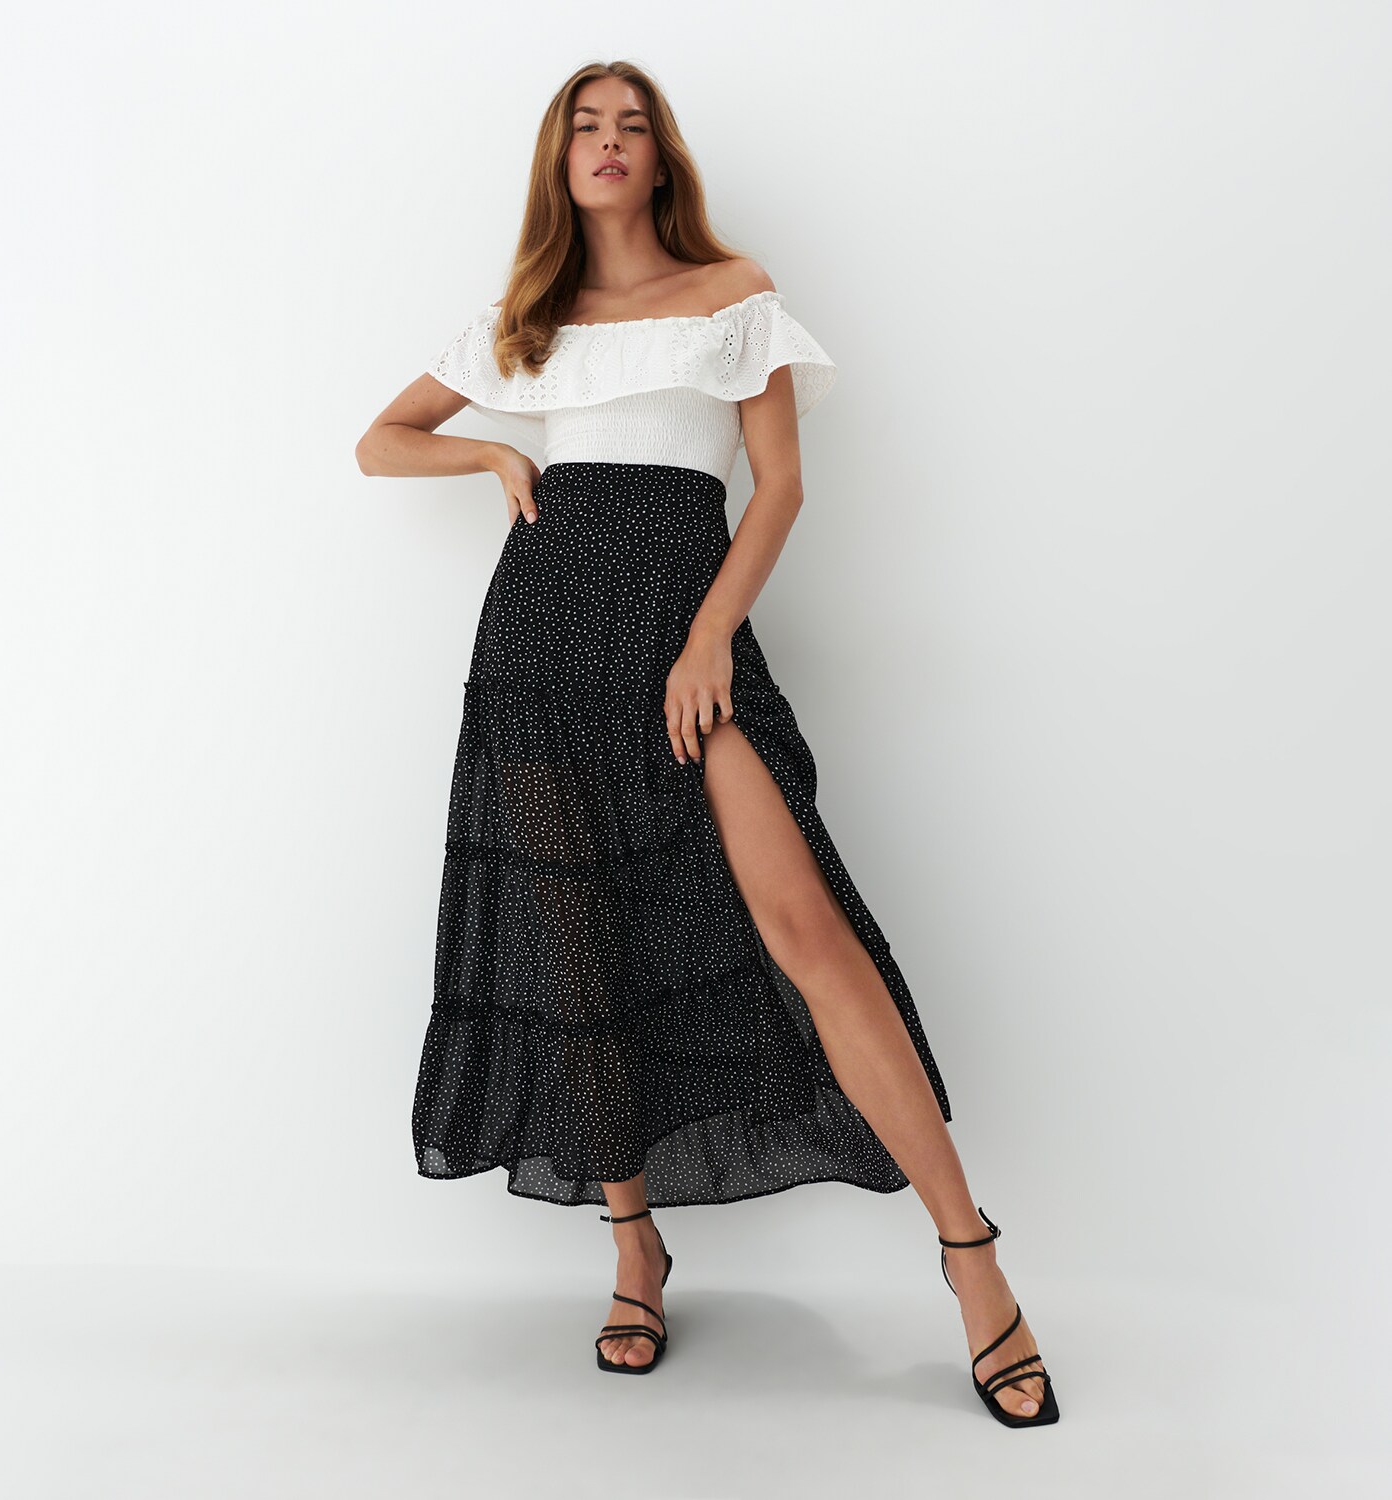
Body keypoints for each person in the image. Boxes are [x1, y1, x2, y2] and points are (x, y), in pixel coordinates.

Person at [355, 60, 1058, 1427]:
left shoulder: (733, 294)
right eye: (586, 127)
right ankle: (635, 1251)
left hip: (687, 629)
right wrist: (493, 456)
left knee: (806, 927)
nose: (609, 143)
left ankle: (975, 1262)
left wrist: (710, 638)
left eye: (632, 126)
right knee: (581, 947)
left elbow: (779, 488)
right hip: (545, 641)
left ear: (661, 158)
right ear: (560, 161)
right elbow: (381, 442)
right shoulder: (526, 319)